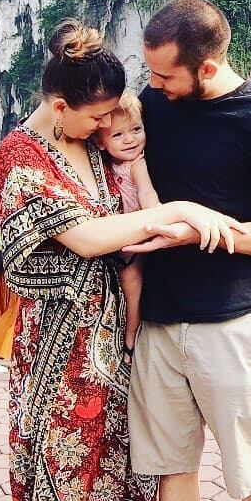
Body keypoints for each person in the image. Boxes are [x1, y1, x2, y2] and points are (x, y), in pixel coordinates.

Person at [0, 19, 244, 501]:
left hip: (117, 340)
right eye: (98, 115)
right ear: (60, 107)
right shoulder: (18, 157)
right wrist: (178, 211)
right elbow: (87, 238)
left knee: (125, 467)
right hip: (58, 351)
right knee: (65, 467)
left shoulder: (87, 144)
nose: (106, 125)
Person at [125, 0, 251, 501]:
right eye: (151, 74)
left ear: (207, 66)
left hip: (234, 322)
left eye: (165, 76)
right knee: (171, 469)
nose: (154, 87)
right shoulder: (155, 106)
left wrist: (206, 232)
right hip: (159, 320)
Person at [93, 90, 160, 362]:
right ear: (100, 142)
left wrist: (155, 218)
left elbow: (146, 193)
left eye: (136, 129)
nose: (130, 139)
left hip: (133, 240)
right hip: (113, 238)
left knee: (132, 289)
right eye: (118, 135)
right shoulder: (103, 165)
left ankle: (130, 339)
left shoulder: (137, 164)